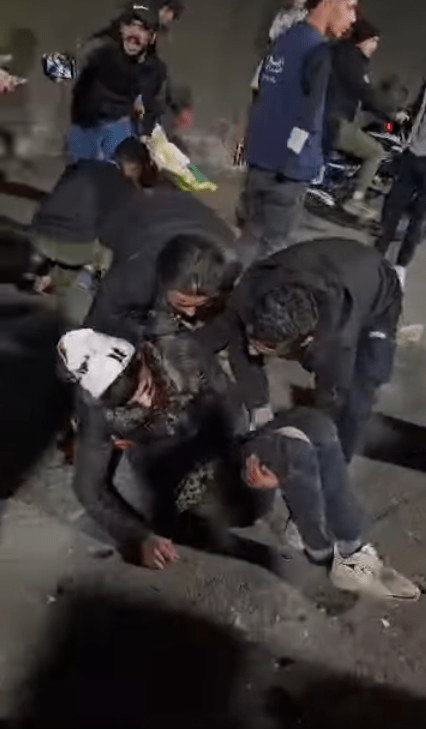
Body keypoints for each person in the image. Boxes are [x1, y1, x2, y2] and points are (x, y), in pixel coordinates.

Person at [193, 238, 402, 463]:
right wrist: (259, 406)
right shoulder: (253, 289)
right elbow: (235, 342)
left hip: (379, 291)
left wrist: (301, 441)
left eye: (266, 349)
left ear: (304, 342)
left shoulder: (336, 346)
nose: (253, 351)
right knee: (231, 337)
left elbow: (328, 403)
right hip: (324, 263)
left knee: (358, 396)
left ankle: (335, 461)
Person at [58, 328, 234, 570]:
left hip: (197, 423)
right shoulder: (97, 412)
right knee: (152, 511)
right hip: (153, 446)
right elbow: (88, 488)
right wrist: (137, 537)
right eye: (127, 400)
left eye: (143, 385)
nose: (145, 401)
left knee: (240, 501)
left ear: (141, 357)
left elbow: (226, 404)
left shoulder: (182, 351)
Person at [242, 409, 419, 599]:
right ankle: (324, 551)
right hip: (236, 429)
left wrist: (260, 412)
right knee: (293, 456)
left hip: (265, 420)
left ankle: (348, 549)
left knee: (320, 431)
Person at [241, 0, 357, 259]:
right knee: (272, 253)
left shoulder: (282, 41)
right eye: (350, 6)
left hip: (259, 162)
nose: (353, 18)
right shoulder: (320, 52)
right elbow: (314, 116)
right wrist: (301, 159)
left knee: (248, 239)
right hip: (289, 172)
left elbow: (260, 94)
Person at [84, 189, 240, 344]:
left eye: (201, 303)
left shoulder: (230, 268)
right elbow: (99, 323)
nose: (191, 313)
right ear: (161, 281)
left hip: (189, 213)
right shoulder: (135, 276)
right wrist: (144, 328)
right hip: (132, 216)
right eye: (183, 303)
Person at [30, 139, 156, 324]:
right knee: (111, 250)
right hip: (70, 246)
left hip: (38, 233)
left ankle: (51, 281)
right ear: (135, 166)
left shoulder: (83, 165)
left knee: (79, 238)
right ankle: (107, 301)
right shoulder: (123, 187)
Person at [69, 2, 166, 162]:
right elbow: (73, 70)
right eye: (130, 25)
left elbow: (152, 107)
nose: (134, 34)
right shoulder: (98, 50)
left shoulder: (155, 70)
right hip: (84, 127)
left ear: (152, 37)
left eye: (143, 29)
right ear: (121, 28)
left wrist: (146, 135)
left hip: (120, 129)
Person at [326, 19, 389, 220]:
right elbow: (366, 94)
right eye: (373, 41)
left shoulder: (339, 52)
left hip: (329, 115)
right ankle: (356, 199)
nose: (375, 46)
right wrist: (391, 114)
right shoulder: (353, 61)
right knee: (376, 152)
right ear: (362, 40)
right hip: (336, 120)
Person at [375, 80, 426, 290]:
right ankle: (379, 257)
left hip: (418, 156)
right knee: (394, 207)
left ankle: (399, 266)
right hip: (413, 153)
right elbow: (419, 108)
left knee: (417, 217)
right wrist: (405, 117)